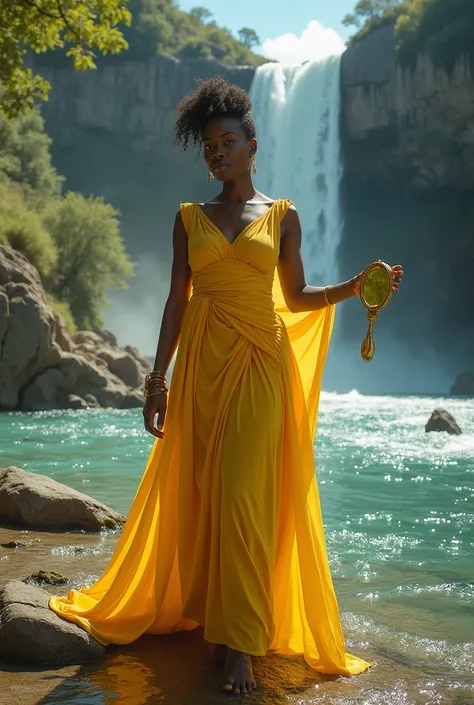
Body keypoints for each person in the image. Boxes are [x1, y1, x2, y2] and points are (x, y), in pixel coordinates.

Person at [49, 77, 403, 695]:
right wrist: (156, 380)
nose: (218, 152)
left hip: (262, 367)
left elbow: (295, 298)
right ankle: (211, 617)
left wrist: (352, 288)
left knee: (244, 496)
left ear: (252, 144)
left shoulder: (283, 217)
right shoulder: (191, 218)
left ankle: (239, 643)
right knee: (204, 493)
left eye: (229, 140)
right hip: (200, 371)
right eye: (209, 145)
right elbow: (175, 301)